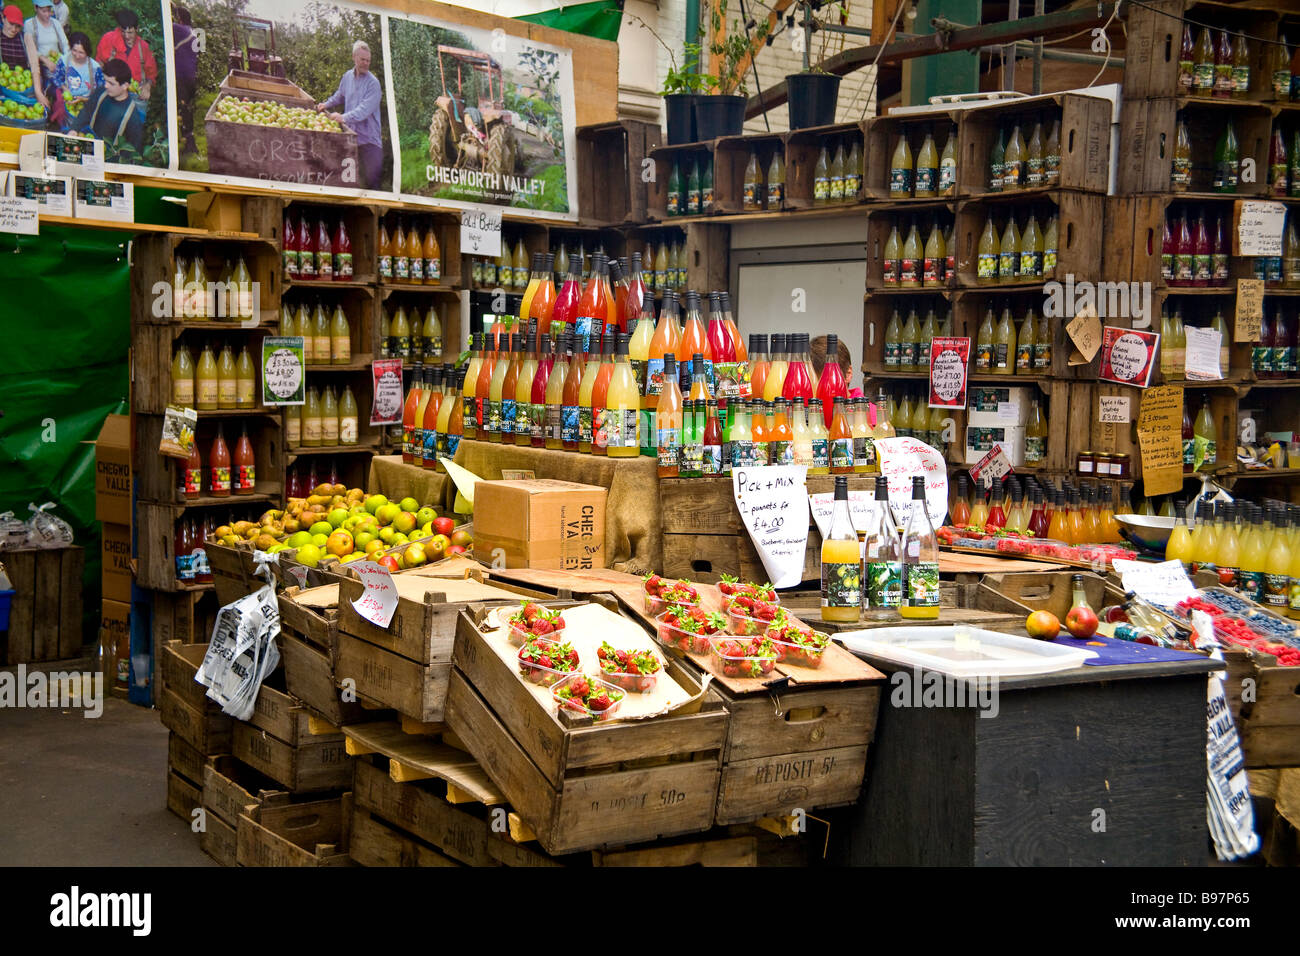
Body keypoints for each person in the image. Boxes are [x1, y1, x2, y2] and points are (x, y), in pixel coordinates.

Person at [316, 40, 384, 190]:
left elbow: (364, 110)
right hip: (350, 139)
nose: (366, 63)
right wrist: (326, 104)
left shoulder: (373, 84)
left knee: (373, 184)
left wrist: (343, 117)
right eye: (363, 60)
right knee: (350, 182)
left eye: (368, 60)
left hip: (369, 142)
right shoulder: (347, 76)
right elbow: (340, 95)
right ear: (354, 57)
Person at [68, 57, 143, 152]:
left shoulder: (132, 117)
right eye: (105, 81)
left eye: (111, 83)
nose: (106, 85)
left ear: (125, 86)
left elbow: (133, 150)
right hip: (90, 144)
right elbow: (87, 111)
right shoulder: (101, 92)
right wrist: (74, 129)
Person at [96, 9, 155, 102]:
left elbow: (151, 75)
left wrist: (147, 87)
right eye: (123, 32)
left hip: (134, 97)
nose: (127, 36)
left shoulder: (144, 48)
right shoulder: (108, 40)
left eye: (130, 32)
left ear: (137, 29)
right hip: (110, 93)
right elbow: (98, 63)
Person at [24, 0, 68, 110]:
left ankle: (58, 108)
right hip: (39, 62)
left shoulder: (55, 24)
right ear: (35, 8)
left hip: (56, 61)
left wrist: (66, 59)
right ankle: (45, 105)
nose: (48, 14)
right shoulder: (30, 24)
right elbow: (30, 48)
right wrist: (45, 60)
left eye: (49, 11)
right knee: (45, 83)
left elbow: (64, 43)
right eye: (44, 11)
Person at [52, 31, 101, 126]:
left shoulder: (95, 67)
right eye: (74, 51)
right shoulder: (64, 60)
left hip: (86, 101)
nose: (77, 55)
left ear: (87, 52)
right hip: (67, 99)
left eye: (81, 52)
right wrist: (65, 89)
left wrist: (84, 99)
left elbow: (101, 91)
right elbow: (57, 78)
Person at [171, 4, 197, 153]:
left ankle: (190, 144)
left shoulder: (180, 30)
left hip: (182, 75)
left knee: (183, 108)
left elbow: (167, 25)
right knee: (186, 107)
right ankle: (189, 141)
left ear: (180, 19)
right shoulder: (192, 32)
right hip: (191, 76)